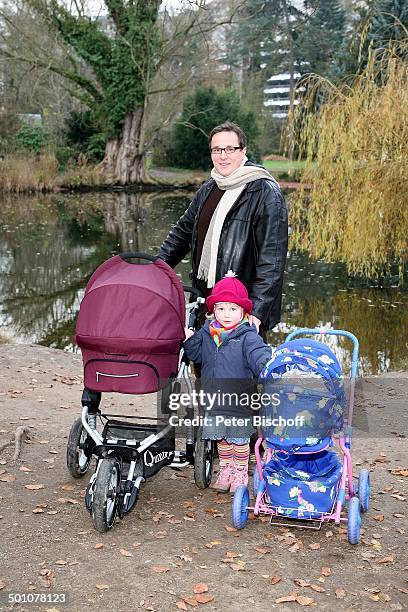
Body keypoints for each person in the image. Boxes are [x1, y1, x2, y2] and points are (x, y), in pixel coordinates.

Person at [158, 121, 288, 334]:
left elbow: (272, 260)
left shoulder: (265, 193)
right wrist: (154, 270)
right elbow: (181, 233)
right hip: (205, 301)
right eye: (217, 150)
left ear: (243, 150)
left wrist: (257, 311)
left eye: (230, 149)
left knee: (235, 366)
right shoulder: (209, 187)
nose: (223, 156)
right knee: (200, 363)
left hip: (239, 307)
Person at [184, 273, 272, 493]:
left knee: (239, 440)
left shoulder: (248, 336)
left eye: (233, 309)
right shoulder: (208, 332)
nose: (226, 314)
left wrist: (268, 364)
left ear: (243, 312)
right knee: (221, 439)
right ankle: (225, 469)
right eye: (221, 309)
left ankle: (240, 471)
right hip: (213, 399)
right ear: (213, 310)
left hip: (238, 400)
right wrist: (189, 338)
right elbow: (194, 355)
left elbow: (259, 355)